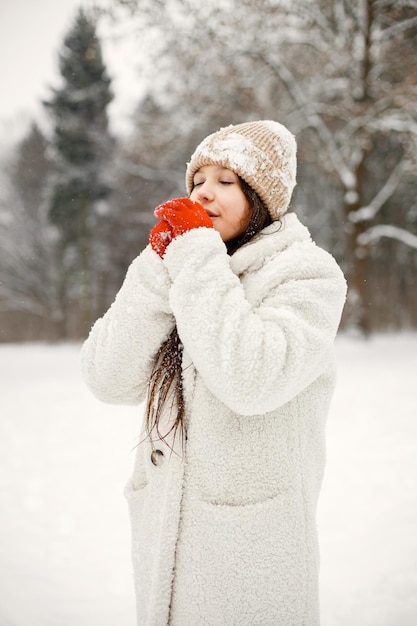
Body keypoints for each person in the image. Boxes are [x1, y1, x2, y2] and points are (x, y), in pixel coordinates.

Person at [81, 120, 347, 626]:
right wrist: (158, 270)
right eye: (198, 180)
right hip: (166, 541)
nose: (204, 193)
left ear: (263, 197)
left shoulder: (307, 273)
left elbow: (253, 379)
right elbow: (107, 379)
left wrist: (194, 255)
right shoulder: (182, 266)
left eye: (226, 181)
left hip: (250, 548)